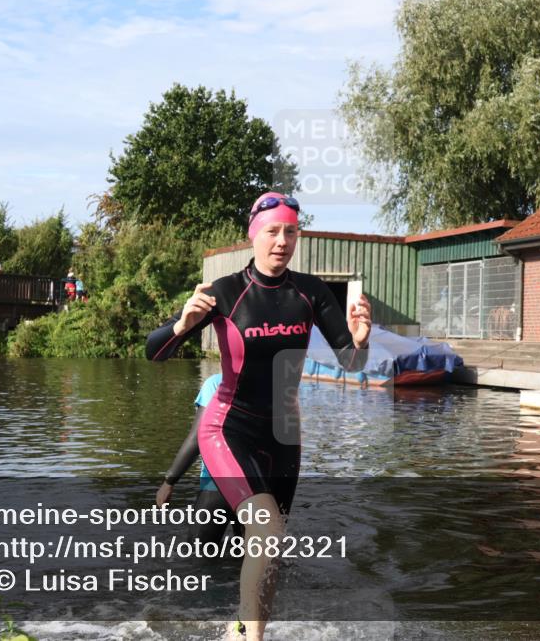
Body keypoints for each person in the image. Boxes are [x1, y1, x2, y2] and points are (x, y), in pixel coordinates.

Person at [145, 193, 371, 641]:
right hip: (229, 427)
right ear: (253, 234)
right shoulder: (224, 292)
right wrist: (180, 324)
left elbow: (351, 364)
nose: (281, 241)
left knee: (272, 542)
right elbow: (155, 353)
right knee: (266, 526)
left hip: (285, 434)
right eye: (272, 231)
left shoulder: (311, 292)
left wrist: (361, 340)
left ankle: (240, 630)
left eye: (290, 231)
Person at [155, 373, 239, 546]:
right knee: (252, 557)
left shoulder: (218, 383)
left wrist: (169, 481)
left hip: (219, 482)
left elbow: (198, 437)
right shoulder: (270, 387)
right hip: (260, 486)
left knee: (199, 554)